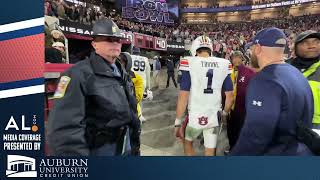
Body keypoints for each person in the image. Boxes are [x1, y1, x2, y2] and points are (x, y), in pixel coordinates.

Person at [47, 18, 136, 156]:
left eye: (117, 39)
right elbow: (64, 131)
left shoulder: (123, 73)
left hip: (126, 147)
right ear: (94, 44)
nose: (114, 43)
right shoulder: (76, 75)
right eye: (108, 39)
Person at [230, 27, 314, 155]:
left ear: (257, 48)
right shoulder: (296, 73)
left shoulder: (264, 80)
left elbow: (255, 137)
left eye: (251, 49)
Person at [175, 35, 234, 156]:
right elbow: (230, 96)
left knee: (187, 142)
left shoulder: (189, 62)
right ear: (210, 49)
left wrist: (178, 121)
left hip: (195, 114)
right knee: (210, 149)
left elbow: (183, 96)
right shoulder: (224, 63)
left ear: (195, 49)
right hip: (214, 114)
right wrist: (224, 113)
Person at [290, 30, 320, 129]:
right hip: (289, 128)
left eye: (317, 42)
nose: (312, 45)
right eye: (305, 42)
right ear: (296, 48)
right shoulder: (283, 69)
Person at [228, 51, 256, 150]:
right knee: (230, 131)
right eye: (234, 57)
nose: (236, 60)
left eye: (238, 57)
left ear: (242, 58)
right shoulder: (228, 71)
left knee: (241, 131)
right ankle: (232, 148)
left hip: (242, 108)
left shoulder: (249, 72)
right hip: (229, 108)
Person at [119, 52, 144, 156]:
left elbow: (137, 98)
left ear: (127, 63)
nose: (119, 63)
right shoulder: (112, 75)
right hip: (118, 118)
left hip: (132, 115)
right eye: (118, 61)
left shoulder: (136, 78)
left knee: (133, 146)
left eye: (122, 62)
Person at [130, 47, 153, 123]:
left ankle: (133, 115)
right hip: (142, 81)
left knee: (130, 99)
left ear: (132, 51)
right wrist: (148, 87)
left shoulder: (129, 57)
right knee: (139, 100)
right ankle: (140, 116)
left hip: (132, 80)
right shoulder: (145, 59)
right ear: (139, 52)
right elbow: (148, 73)